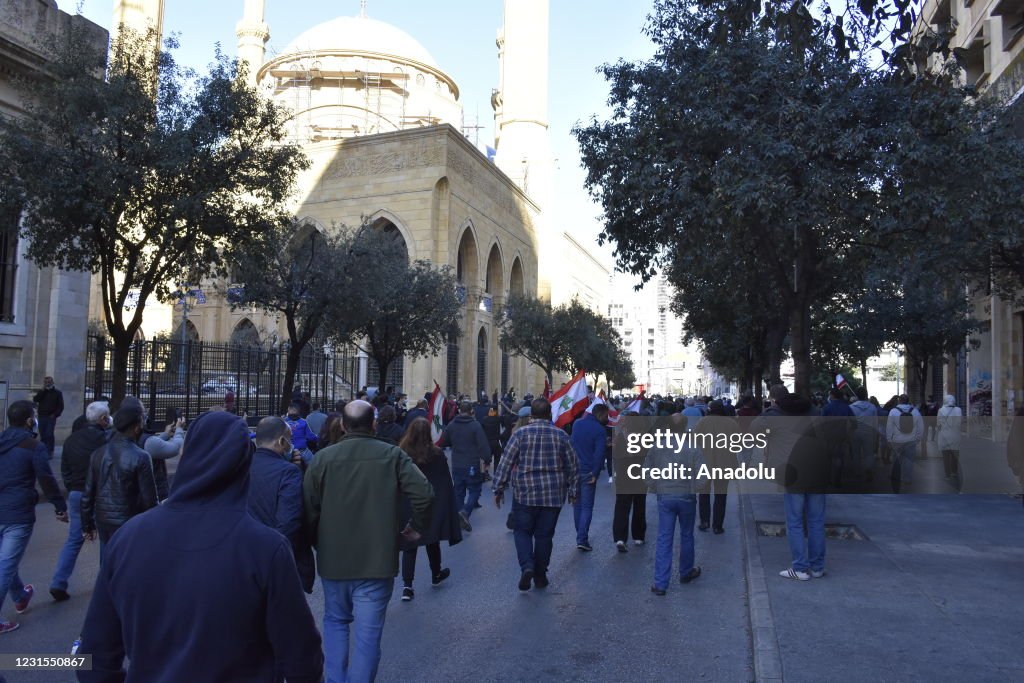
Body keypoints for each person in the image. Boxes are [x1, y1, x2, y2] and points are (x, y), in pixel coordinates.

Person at [77, 410, 323, 683]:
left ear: (186, 457)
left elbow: (93, 657)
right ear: (244, 466)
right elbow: (302, 659)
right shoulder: (266, 549)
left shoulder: (127, 539)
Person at [303, 400, 433, 683]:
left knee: (335, 622)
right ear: (373, 424)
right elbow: (424, 493)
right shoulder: (392, 456)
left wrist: (317, 542)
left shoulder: (323, 459)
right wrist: (414, 528)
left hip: (334, 560)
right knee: (368, 636)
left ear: (341, 425)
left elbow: (309, 510)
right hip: (377, 559)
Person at [492, 399, 579, 592]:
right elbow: (573, 466)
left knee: (522, 531)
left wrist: (498, 488)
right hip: (553, 495)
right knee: (544, 536)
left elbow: (505, 462)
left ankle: (527, 566)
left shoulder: (520, 434)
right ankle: (540, 575)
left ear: (531, 415)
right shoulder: (561, 436)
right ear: (549, 415)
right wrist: (573, 491)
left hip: (525, 494)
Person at [0, 400, 68, 633]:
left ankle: (20, 595)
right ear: (30, 420)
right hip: (17, 513)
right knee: (6, 564)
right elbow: (46, 479)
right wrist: (60, 506)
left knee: (7, 561)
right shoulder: (33, 446)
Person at [49, 401, 109, 602]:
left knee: (74, 539)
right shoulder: (106, 439)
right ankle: (105, 584)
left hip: (76, 492)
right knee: (106, 539)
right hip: (99, 493)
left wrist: (72, 486)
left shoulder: (71, 440)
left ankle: (59, 580)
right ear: (103, 419)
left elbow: (65, 469)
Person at [80, 404, 158, 557]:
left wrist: (86, 524)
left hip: (104, 519)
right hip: (129, 519)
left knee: (107, 560)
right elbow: (149, 499)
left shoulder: (98, 453)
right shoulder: (141, 456)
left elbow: (88, 493)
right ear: (136, 428)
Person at [248, 417, 315, 593]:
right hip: (278, 560)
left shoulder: (243, 466)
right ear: (282, 441)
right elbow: (289, 521)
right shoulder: (288, 472)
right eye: (290, 440)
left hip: (246, 555)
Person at [398, 418, 462, 601]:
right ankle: (436, 573)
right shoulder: (436, 454)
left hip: (409, 502)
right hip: (430, 503)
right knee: (432, 539)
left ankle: (407, 585)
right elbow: (443, 481)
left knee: (410, 543)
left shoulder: (402, 452)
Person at [645, 413, 704, 595]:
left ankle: (661, 583)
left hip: (666, 495)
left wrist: (656, 487)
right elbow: (703, 474)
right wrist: (694, 489)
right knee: (687, 535)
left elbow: (647, 471)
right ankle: (686, 572)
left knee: (664, 538)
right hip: (686, 495)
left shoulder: (658, 446)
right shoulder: (692, 447)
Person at [777, 393, 830, 581]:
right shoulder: (817, 417)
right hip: (817, 474)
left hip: (793, 476)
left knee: (795, 522)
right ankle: (817, 566)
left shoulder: (780, 420)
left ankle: (799, 567)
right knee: (816, 522)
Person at [438, 401, 490, 532]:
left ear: (460, 410)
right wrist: (487, 458)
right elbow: (483, 445)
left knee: (458, 491)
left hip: (457, 463)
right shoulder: (475, 426)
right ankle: (465, 512)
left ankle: (459, 514)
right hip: (471, 463)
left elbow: (444, 441)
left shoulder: (452, 425)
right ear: (471, 411)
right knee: (475, 489)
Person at [570, 403, 609, 552]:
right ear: (600, 414)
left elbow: (572, 444)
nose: (607, 418)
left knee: (577, 505)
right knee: (586, 506)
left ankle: (580, 534)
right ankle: (582, 537)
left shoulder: (577, 424)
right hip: (588, 471)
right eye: (606, 415)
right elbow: (599, 454)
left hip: (574, 470)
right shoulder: (600, 430)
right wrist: (595, 473)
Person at [694, 400, 738, 534]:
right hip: (724, 464)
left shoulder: (703, 422)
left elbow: (694, 440)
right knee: (721, 495)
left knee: (704, 493)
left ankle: (704, 521)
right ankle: (718, 525)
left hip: (705, 463)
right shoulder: (731, 423)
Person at [611, 411, 646, 551]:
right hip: (639, 476)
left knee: (621, 507)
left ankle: (620, 538)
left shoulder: (620, 436)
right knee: (639, 506)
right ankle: (638, 536)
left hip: (623, 476)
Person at [886, 394, 924, 493]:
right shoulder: (915, 411)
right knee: (909, 461)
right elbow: (921, 427)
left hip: (897, 441)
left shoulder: (893, 411)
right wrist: (917, 439)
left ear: (899, 401)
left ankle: (896, 477)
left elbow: (889, 427)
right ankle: (907, 479)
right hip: (911, 441)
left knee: (896, 461)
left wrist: (889, 439)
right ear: (908, 401)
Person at [849, 387, 879, 483]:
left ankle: (857, 472)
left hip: (855, 432)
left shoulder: (851, 407)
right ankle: (868, 470)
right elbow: (875, 423)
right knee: (868, 453)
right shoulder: (872, 407)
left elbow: (849, 422)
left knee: (856, 453)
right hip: (868, 432)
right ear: (866, 394)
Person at [32, 376, 64, 457]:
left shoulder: (57, 393)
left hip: (51, 416)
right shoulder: (42, 392)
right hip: (42, 416)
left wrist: (55, 414)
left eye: (49, 382)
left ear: (52, 382)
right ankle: (43, 450)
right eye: (46, 382)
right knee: (43, 434)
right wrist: (42, 391)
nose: (47, 384)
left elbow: (60, 406)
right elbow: (36, 399)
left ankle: (50, 451)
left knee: (49, 434)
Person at [936, 394, 963, 485]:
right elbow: (960, 423)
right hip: (955, 435)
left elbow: (938, 424)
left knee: (945, 456)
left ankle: (947, 475)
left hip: (944, 436)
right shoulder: (959, 410)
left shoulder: (941, 410)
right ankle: (954, 472)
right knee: (955, 456)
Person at [481, 406, 503, 477]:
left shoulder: (484, 419)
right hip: (496, 442)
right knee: (497, 459)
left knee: (486, 459)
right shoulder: (498, 419)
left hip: (487, 442)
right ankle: (496, 474)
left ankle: (485, 473)